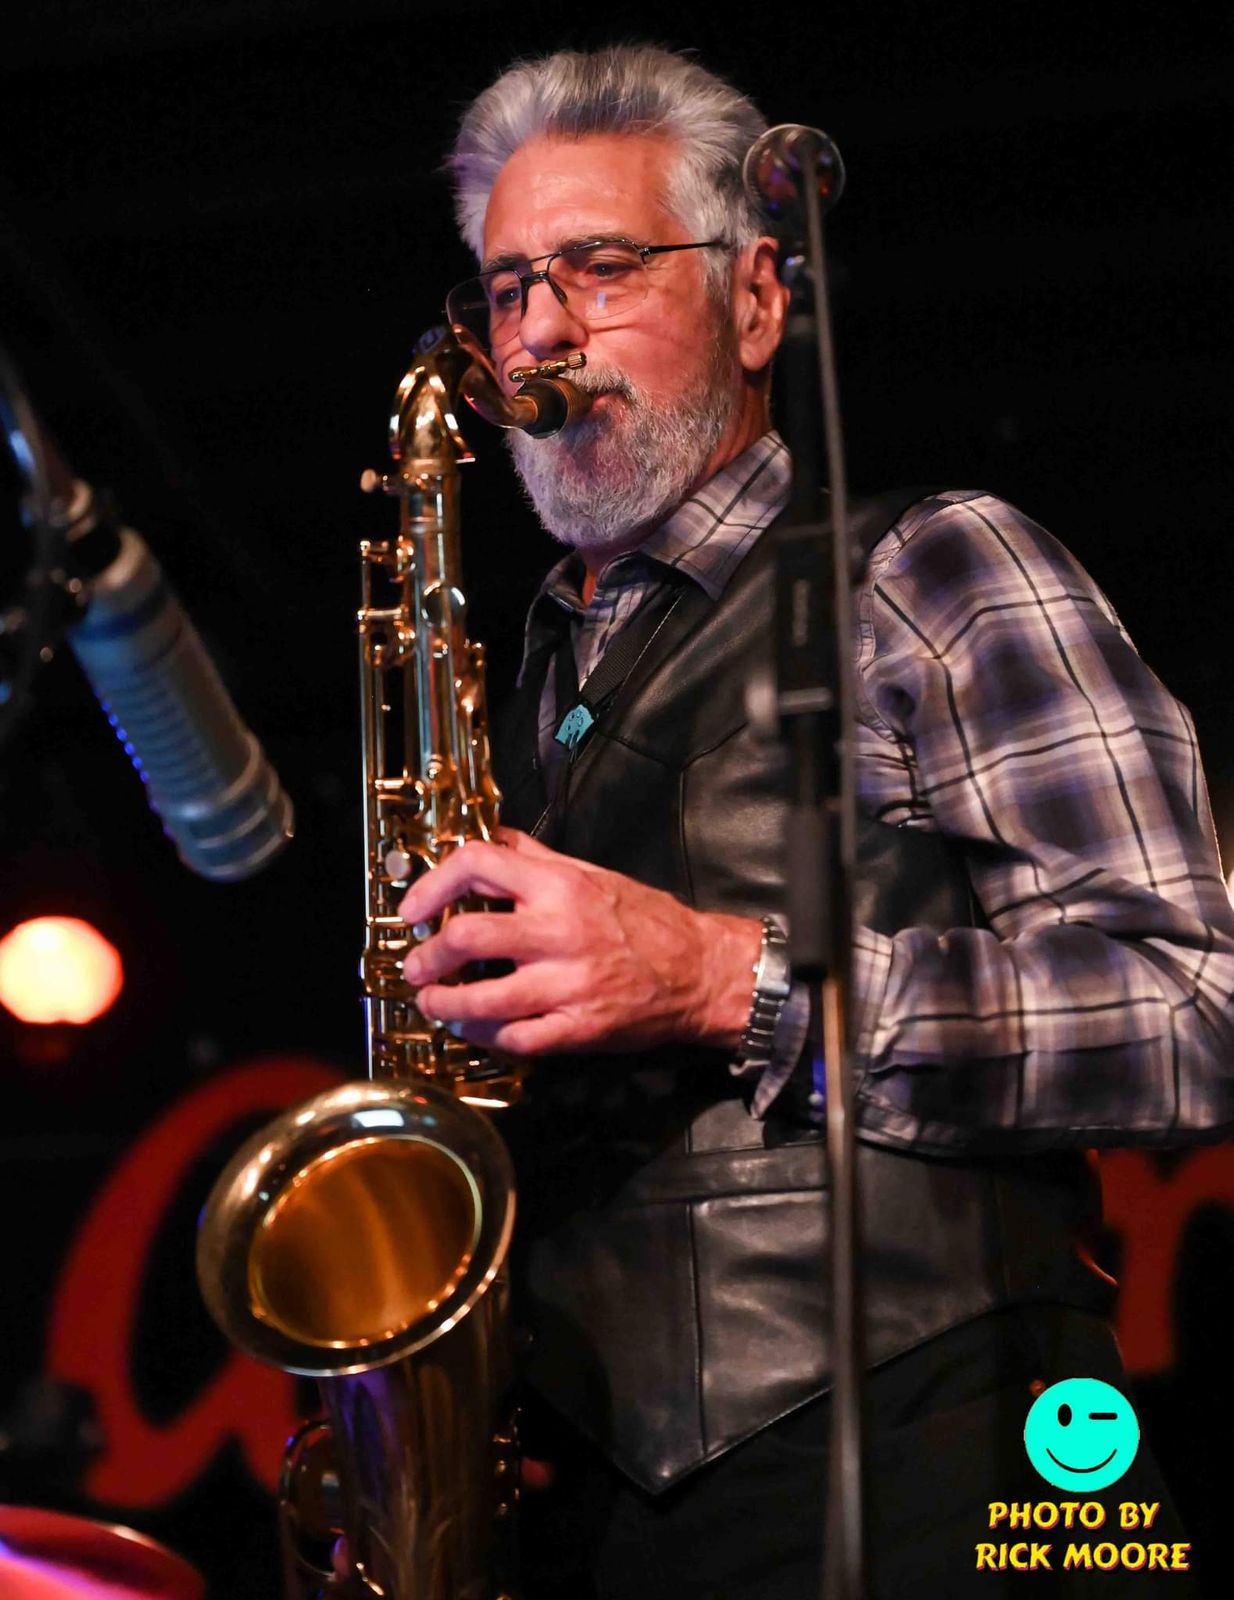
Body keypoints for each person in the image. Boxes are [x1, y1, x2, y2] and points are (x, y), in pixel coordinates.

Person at [395, 44, 1234, 1598]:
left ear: (756, 299)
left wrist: (728, 980)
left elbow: (1192, 1015)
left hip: (945, 1464)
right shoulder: (527, 685)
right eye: (506, 288)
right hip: (595, 1517)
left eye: (598, 268)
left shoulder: (934, 565)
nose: (537, 334)